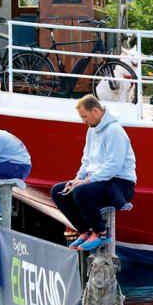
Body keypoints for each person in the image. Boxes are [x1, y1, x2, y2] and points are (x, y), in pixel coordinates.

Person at [52, 96, 137, 252]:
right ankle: (85, 231)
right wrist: (77, 179)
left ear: (96, 111)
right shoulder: (92, 130)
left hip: (120, 184)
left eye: (84, 116)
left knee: (82, 191)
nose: (83, 121)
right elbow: (86, 161)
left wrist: (87, 181)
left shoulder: (115, 131)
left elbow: (114, 166)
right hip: (99, 181)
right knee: (58, 191)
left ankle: (101, 233)